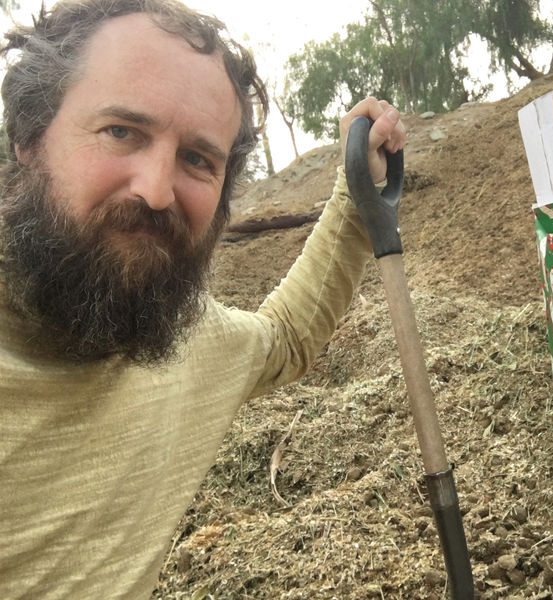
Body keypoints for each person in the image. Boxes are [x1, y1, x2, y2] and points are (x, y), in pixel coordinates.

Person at [0, 0, 405, 597]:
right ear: (29, 138)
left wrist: (355, 194)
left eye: (197, 159)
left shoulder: (184, 338)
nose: (158, 190)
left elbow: (285, 337)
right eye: (121, 132)